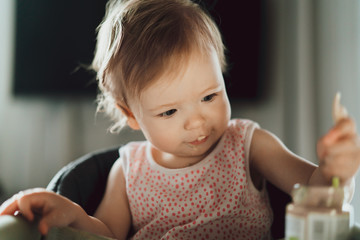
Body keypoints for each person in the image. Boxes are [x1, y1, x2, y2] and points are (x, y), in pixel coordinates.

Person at [1, 0, 359, 239]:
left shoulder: (248, 145)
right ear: (131, 116)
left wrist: (335, 169)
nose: (197, 122)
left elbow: (315, 192)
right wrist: (72, 215)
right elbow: (106, 235)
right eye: (170, 111)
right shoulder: (128, 171)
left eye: (209, 96)